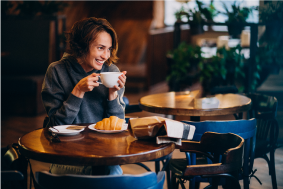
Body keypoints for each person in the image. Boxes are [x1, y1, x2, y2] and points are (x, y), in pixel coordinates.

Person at [41, 17, 126, 175]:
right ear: (82, 46)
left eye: (109, 49)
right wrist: (77, 92)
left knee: (113, 175)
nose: (106, 55)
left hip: (105, 155)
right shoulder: (57, 71)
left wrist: (112, 94)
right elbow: (54, 126)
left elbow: (118, 124)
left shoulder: (111, 71)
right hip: (67, 155)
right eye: (101, 48)